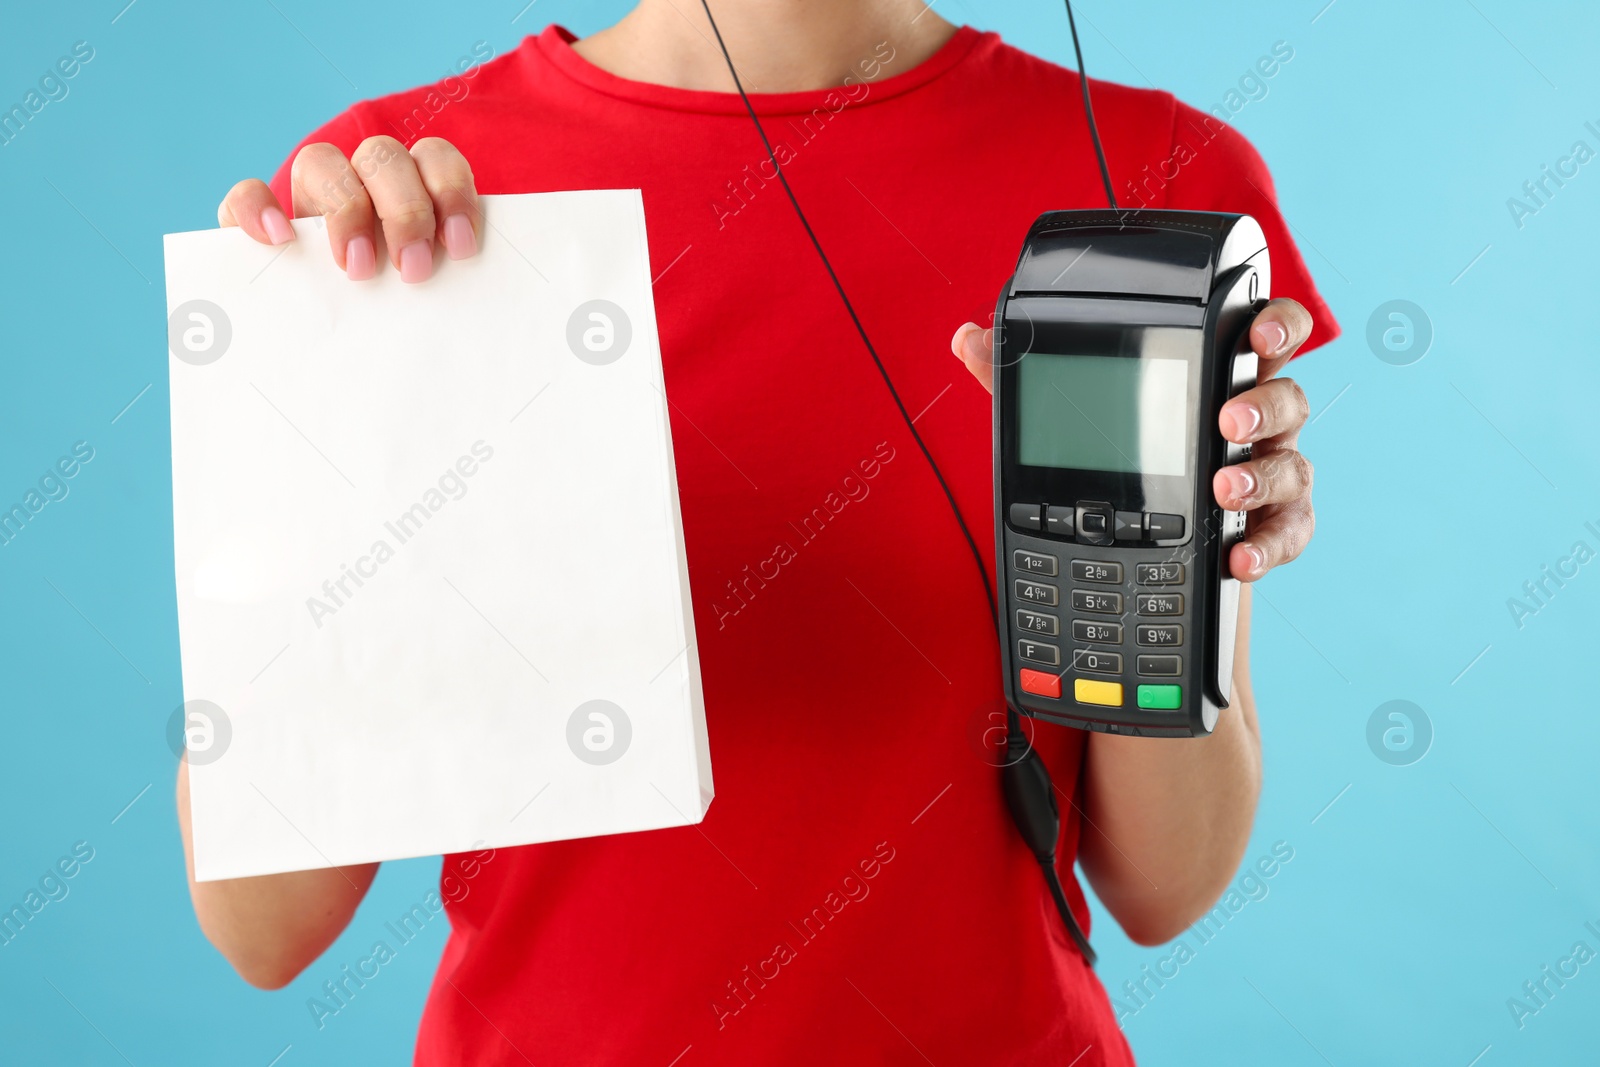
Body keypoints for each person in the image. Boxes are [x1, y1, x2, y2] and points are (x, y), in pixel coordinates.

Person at [177, 2, 1336, 1063]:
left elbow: (1163, 883)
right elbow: (263, 928)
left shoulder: (1152, 184)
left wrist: (1181, 563)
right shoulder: (404, 202)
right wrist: (315, 476)